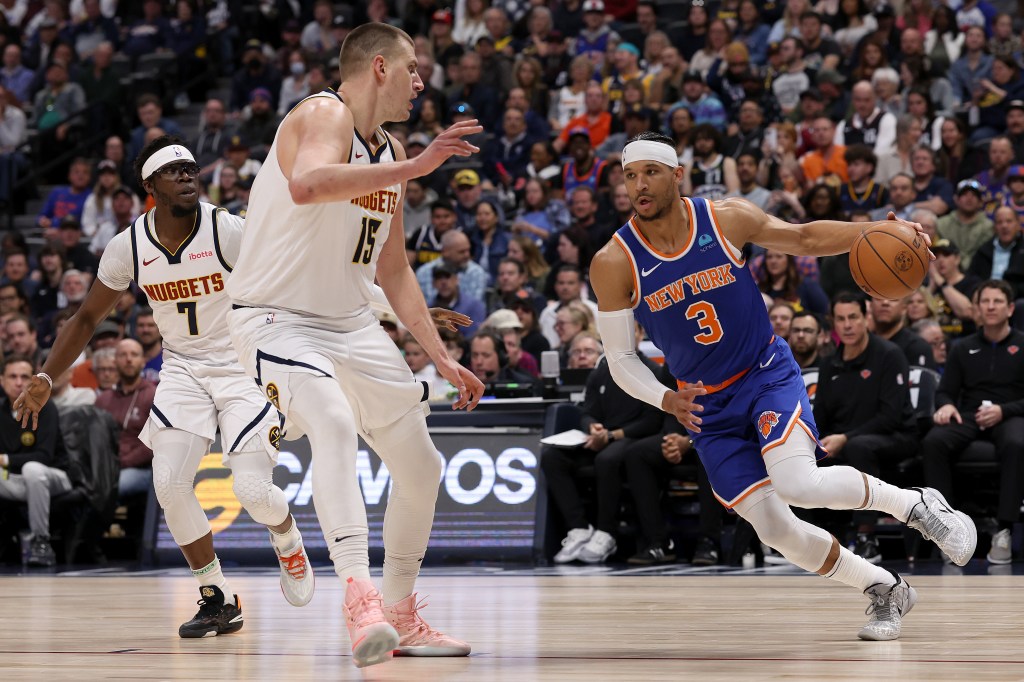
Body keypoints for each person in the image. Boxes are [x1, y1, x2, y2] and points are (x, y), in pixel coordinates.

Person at [590, 131, 976, 641]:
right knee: (774, 531)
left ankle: (917, 505)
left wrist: (875, 229)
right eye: (630, 174)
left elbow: (806, 238)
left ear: (677, 174)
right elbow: (619, 358)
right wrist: (665, 398)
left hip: (764, 373)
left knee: (798, 483)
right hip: (703, 405)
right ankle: (884, 588)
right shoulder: (614, 261)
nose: (639, 185)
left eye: (651, 172)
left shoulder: (724, 217)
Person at [223, 23, 483, 668]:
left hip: (351, 325)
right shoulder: (322, 113)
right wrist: (420, 165)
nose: (422, 81)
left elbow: (392, 268)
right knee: (334, 424)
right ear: (378, 67)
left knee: (422, 466)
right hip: (276, 319)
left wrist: (439, 356)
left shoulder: (388, 147)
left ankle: (399, 613)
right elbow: (308, 184)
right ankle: (359, 599)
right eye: (413, 68)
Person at [14, 137, 315, 638]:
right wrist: (46, 377)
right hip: (182, 369)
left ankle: (287, 540)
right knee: (169, 483)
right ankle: (216, 597)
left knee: (253, 490)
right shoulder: (128, 246)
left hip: (242, 364)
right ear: (150, 186)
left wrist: (386, 310)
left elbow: (298, 278)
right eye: (173, 171)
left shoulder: (227, 230)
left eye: (191, 168)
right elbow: (87, 316)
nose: (187, 176)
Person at [920, 280, 1024, 566]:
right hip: (970, 413)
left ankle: (1003, 530)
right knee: (934, 441)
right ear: (977, 309)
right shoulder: (962, 347)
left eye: (997, 301)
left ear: (1010, 308)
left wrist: (1004, 410)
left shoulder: (1021, 344)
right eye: (985, 302)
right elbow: (945, 391)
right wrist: (946, 405)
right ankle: (948, 529)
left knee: (1018, 443)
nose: (990, 306)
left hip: (1011, 414)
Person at [815, 294, 918, 563]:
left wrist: (845, 438)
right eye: (841, 319)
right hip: (845, 439)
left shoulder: (889, 355)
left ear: (866, 318)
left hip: (896, 436)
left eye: (853, 317)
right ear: (833, 323)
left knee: (859, 448)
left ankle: (866, 536)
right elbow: (820, 417)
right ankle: (813, 539)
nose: (847, 325)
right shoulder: (829, 364)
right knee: (799, 453)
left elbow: (891, 417)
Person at [0, 355, 72, 567]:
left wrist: (4, 459)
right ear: (2, 380)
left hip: (55, 476)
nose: (19, 382)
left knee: (33, 469)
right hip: (17, 480)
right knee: (23, 474)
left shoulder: (46, 408)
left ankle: (41, 542)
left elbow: (44, 457)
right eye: (12, 376)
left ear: (34, 382)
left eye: (24, 377)